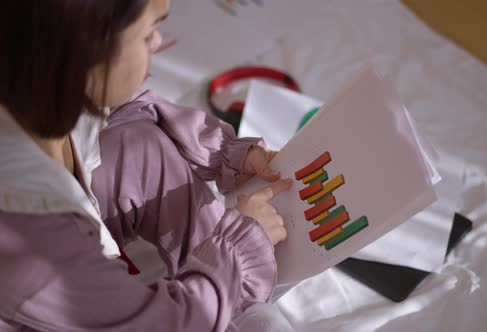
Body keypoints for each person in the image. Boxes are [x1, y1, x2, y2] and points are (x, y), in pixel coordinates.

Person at [0, 1, 292, 331]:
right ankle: (228, 290)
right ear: (85, 52)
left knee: (141, 145)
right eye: (148, 33)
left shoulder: (38, 79)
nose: (157, 43)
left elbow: (133, 104)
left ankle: (234, 297)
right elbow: (165, 325)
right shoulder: (33, 245)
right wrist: (237, 250)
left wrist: (226, 152)